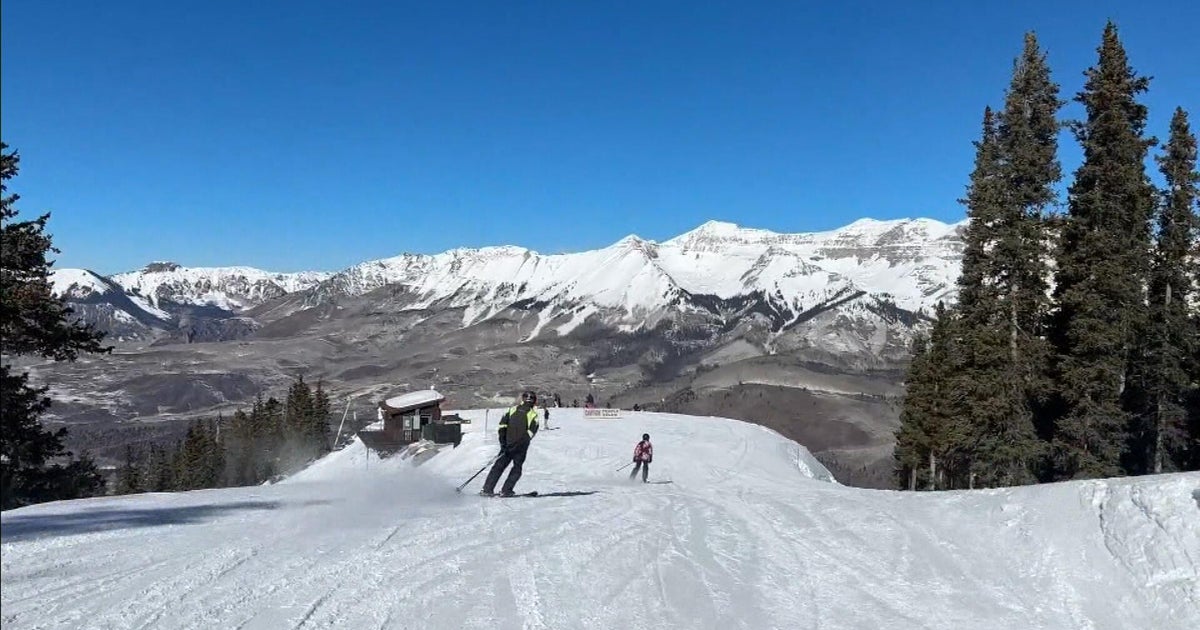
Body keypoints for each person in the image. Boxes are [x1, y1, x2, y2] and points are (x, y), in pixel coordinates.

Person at [480, 391, 541, 496]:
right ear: (534, 401)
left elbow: (502, 426)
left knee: (498, 467)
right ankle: (506, 490)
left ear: (523, 399)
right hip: (519, 447)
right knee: (516, 468)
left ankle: (487, 489)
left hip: (507, 445)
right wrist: (517, 444)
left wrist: (503, 442)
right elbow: (530, 433)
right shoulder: (533, 415)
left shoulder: (512, 410)